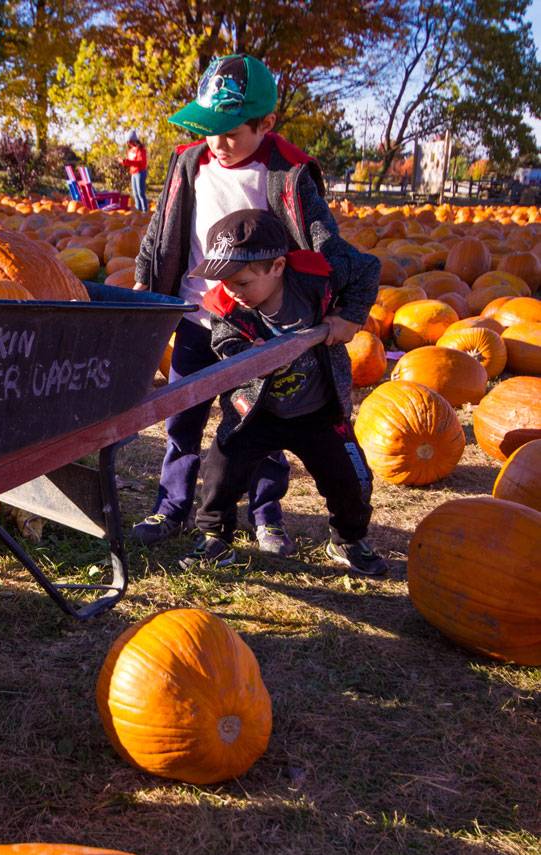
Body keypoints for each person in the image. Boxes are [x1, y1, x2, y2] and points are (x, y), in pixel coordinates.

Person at [130, 53, 377, 556]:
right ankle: (172, 506)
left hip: (257, 326)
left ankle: (267, 515)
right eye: (208, 129)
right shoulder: (189, 161)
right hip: (198, 317)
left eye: (231, 132)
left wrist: (346, 315)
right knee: (182, 419)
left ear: (265, 124)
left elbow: (328, 248)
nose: (217, 143)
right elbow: (162, 232)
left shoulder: (287, 174)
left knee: (260, 419)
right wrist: (145, 283)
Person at [177, 208, 386, 576]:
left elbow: (368, 267)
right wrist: (250, 356)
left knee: (351, 479)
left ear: (276, 266)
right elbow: (223, 342)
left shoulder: (318, 277)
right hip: (257, 412)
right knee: (220, 471)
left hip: (319, 411)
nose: (232, 291)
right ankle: (215, 538)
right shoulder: (227, 305)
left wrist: (349, 317)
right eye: (225, 282)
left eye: (241, 282)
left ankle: (348, 540)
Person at [120, 131, 148, 212]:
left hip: (140, 172)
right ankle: (138, 210)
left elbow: (141, 162)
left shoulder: (140, 149)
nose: (129, 143)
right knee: (135, 193)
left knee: (141, 193)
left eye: (130, 141)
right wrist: (123, 161)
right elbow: (129, 162)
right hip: (133, 172)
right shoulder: (130, 150)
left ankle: (145, 211)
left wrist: (127, 161)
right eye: (128, 142)